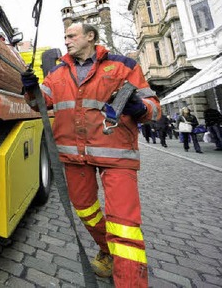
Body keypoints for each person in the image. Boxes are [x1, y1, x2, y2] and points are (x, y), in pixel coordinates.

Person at [23, 22, 160, 287]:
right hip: (74, 156)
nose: (67, 40)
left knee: (124, 226)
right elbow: (38, 104)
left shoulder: (124, 66)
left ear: (90, 37)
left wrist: (139, 106)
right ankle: (107, 249)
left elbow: (155, 109)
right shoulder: (58, 72)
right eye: (65, 36)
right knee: (85, 210)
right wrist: (31, 88)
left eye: (72, 35)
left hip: (117, 155)